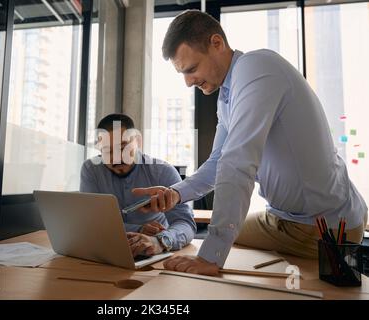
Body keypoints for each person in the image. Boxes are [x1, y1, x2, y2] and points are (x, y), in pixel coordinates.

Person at [132, 10, 368, 276]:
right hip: (280, 218)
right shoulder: (227, 97)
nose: (188, 82)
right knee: (205, 239)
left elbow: (238, 162)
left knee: (210, 251)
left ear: (217, 43)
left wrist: (211, 258)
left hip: (323, 226)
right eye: (182, 74)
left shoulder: (256, 68)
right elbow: (218, 164)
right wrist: (175, 193)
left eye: (192, 69)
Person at [80, 113, 196, 258]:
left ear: (138, 142)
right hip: (107, 250)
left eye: (123, 148)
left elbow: (185, 223)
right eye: (107, 151)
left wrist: (160, 241)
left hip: (153, 251)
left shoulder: (163, 171)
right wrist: (139, 229)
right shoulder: (91, 170)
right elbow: (93, 221)